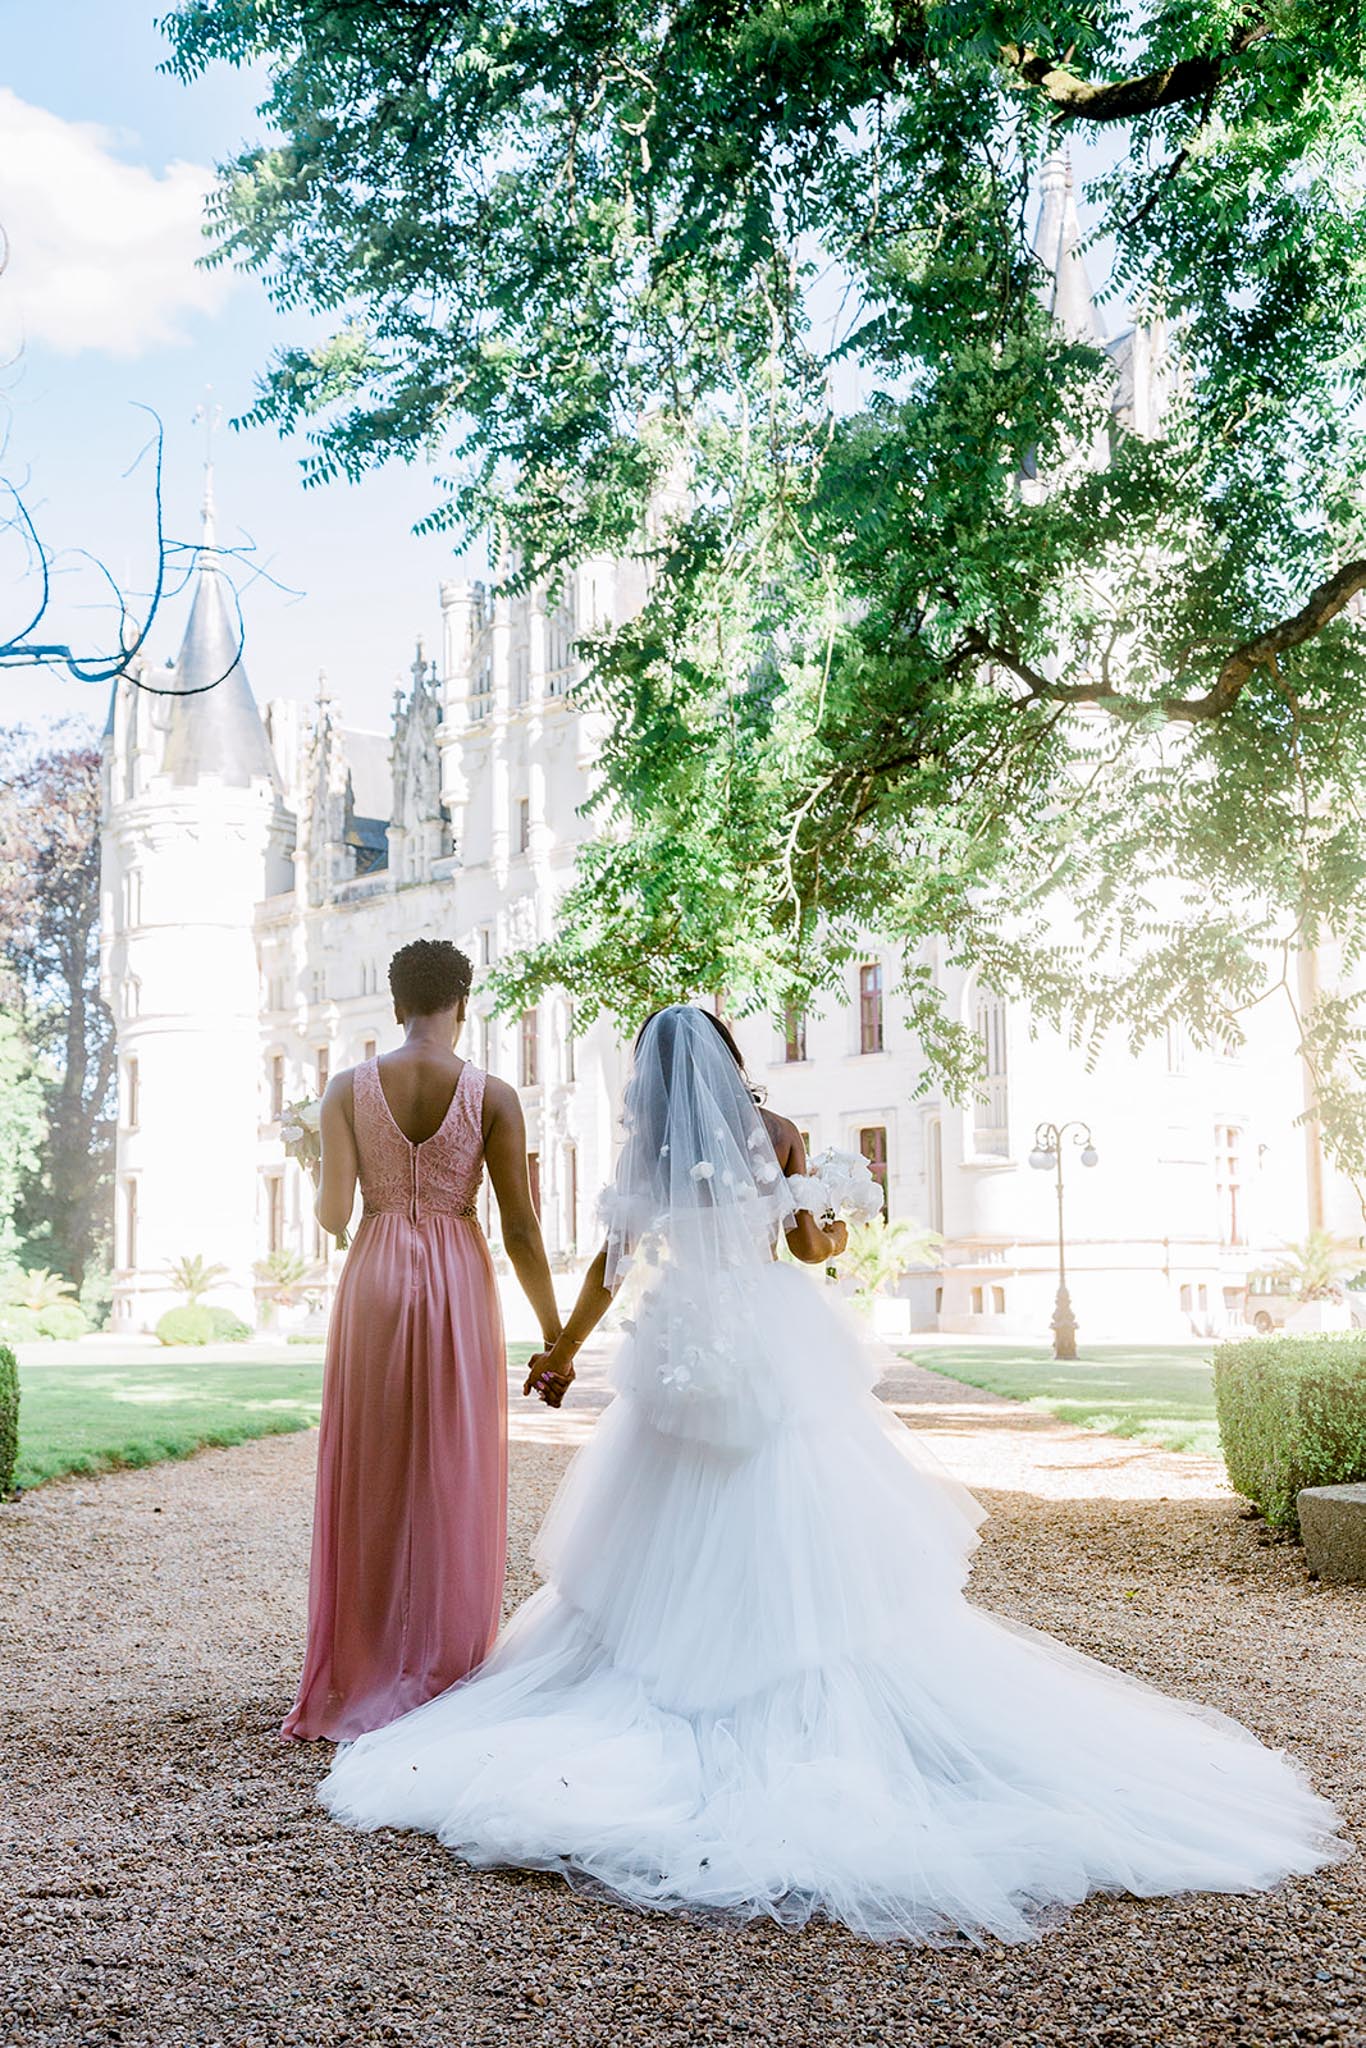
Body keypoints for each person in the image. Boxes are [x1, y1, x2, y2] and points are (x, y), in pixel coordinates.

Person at [317, 1004, 1341, 1942]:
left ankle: (674, 1671)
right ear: (727, 1061)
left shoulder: (643, 1158)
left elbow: (608, 1268)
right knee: (796, 1512)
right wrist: (836, 1212)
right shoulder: (776, 1135)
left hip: (681, 1352)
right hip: (767, 1344)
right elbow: (811, 1247)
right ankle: (790, 1669)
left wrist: (563, 1350)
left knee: (660, 1522)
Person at [282, 939, 561, 1742]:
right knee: (451, 1464)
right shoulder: (495, 1094)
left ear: (396, 1005)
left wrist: (318, 1153)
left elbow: (334, 1218)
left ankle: (363, 1662)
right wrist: (552, 1335)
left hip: (373, 1275)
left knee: (371, 1465)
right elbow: (521, 1229)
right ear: (463, 1004)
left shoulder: (345, 1089)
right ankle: (443, 1663)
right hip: (457, 1279)